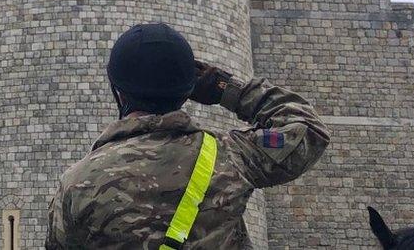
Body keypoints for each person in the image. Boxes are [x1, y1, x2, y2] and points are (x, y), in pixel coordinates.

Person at [46, 23, 330, 249]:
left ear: (118, 92)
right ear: (188, 91)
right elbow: (307, 128)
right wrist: (226, 89)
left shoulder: (77, 183)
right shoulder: (231, 156)